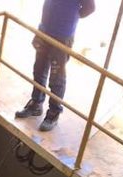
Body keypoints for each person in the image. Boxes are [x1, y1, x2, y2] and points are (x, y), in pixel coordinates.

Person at [15, 0, 96, 131]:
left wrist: (70, 16)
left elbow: (90, 8)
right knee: (39, 69)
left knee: (57, 77)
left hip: (63, 35)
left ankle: (53, 113)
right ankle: (36, 103)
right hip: (45, 29)